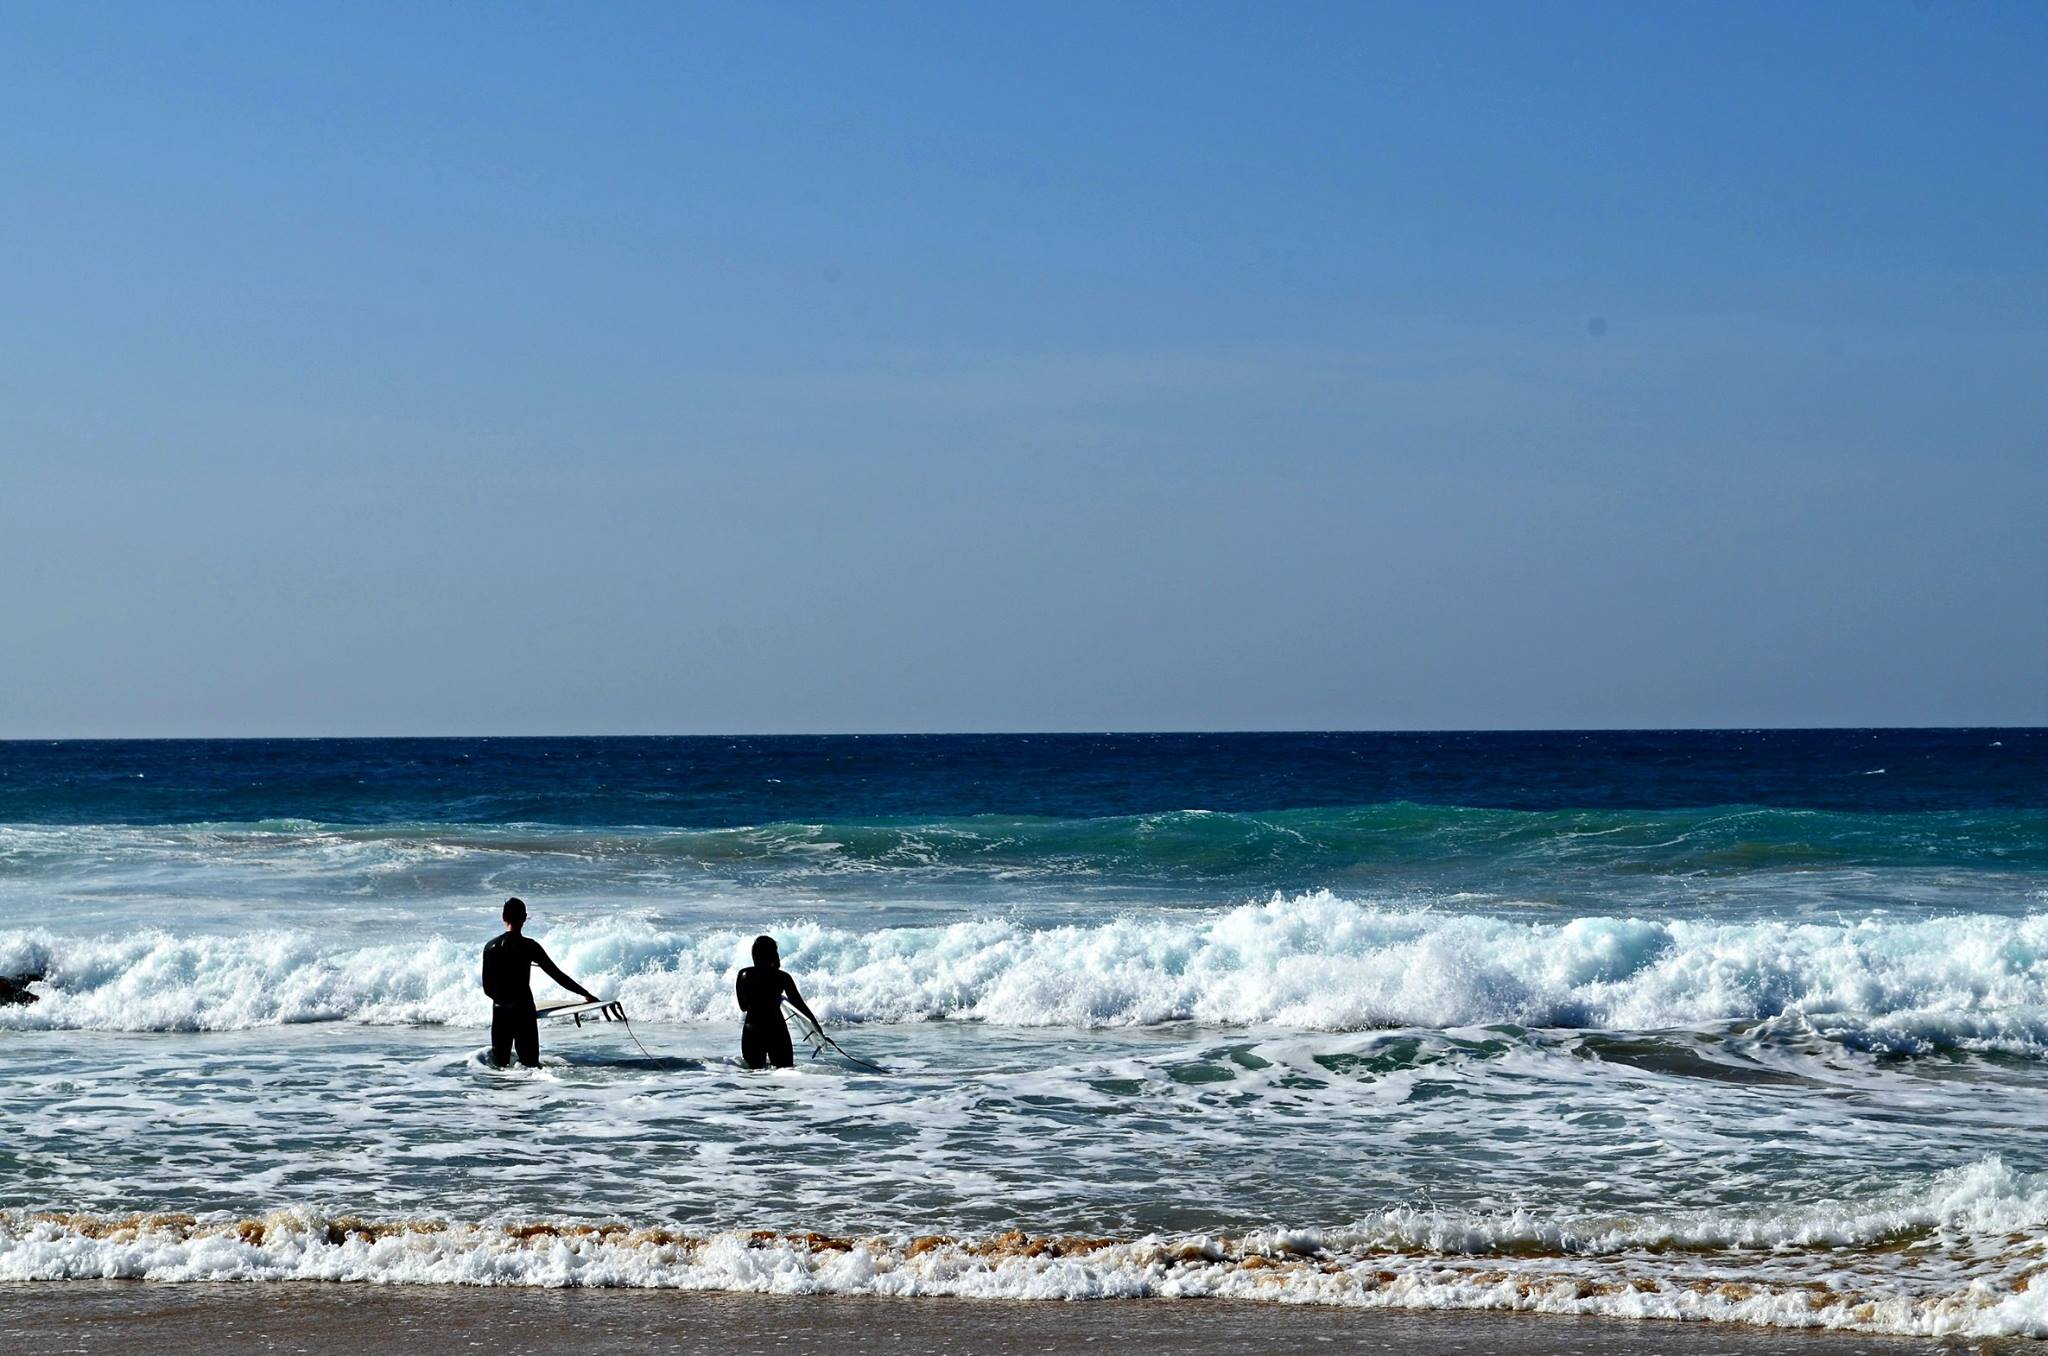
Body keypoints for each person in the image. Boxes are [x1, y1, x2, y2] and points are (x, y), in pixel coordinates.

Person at [480, 896, 599, 1068]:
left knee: (500, 1068)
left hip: (500, 1013)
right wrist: (585, 994)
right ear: (524, 918)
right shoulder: (529, 946)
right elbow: (557, 975)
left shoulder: (490, 947)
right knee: (530, 1066)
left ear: (503, 917)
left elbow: (487, 988)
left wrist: (504, 1001)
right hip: (523, 1010)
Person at [734, 934, 820, 1070]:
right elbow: (799, 1004)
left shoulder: (743, 975)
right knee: (784, 1074)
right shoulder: (782, 977)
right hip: (776, 1031)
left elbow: (743, 1007)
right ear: (773, 954)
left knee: (753, 1077)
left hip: (752, 1032)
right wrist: (816, 1028)